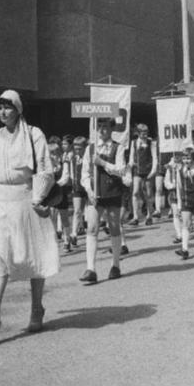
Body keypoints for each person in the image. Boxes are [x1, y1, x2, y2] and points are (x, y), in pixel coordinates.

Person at [0, 90, 59, 343]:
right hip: (2, 202)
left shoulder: (34, 134)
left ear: (18, 109)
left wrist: (38, 197)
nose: (3, 112)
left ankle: (36, 308)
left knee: (33, 256)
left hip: (27, 199)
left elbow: (45, 168)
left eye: (8, 107)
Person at [79, 118, 127, 284]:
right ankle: (90, 268)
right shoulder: (90, 148)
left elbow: (121, 170)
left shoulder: (118, 147)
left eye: (105, 126)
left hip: (113, 192)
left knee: (114, 227)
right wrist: (89, 190)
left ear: (112, 128)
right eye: (99, 126)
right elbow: (84, 173)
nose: (102, 129)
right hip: (95, 194)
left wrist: (102, 162)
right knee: (92, 228)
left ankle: (115, 265)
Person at [128, 124, 157, 226]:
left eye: (146, 133)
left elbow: (154, 157)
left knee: (148, 193)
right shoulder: (134, 143)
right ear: (138, 133)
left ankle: (149, 215)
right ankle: (136, 216)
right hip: (137, 170)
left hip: (148, 171)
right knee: (135, 192)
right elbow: (131, 158)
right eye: (142, 133)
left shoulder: (151, 142)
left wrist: (153, 171)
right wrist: (129, 167)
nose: (144, 135)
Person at [69, 136, 88, 246]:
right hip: (77, 187)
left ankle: (90, 230)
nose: (77, 150)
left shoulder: (88, 157)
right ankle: (74, 234)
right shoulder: (73, 159)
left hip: (88, 187)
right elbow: (72, 173)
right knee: (77, 210)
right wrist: (73, 184)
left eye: (80, 148)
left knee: (89, 211)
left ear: (85, 148)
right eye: (75, 148)